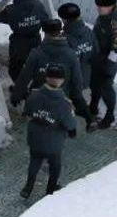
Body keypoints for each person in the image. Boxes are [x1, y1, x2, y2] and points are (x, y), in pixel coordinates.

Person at [15, 19, 95, 131]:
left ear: (45, 33)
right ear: (60, 31)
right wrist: (77, 96)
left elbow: (24, 77)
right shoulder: (71, 54)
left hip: (40, 94)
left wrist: (16, 96)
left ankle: (29, 115)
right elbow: (77, 80)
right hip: (63, 95)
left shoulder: (36, 53)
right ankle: (90, 120)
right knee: (75, 97)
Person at [21, 64, 77, 198]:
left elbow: (27, 112)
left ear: (46, 78)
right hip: (53, 143)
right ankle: (50, 190)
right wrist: (72, 129)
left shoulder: (34, 94)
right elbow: (69, 124)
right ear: (62, 80)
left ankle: (28, 187)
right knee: (55, 166)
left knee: (34, 161)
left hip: (35, 138)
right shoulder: (64, 103)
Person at [91, 0, 117, 129]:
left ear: (111, 6)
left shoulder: (116, 26)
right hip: (98, 58)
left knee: (106, 86)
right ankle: (93, 107)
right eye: (98, 5)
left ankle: (109, 115)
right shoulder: (102, 17)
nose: (98, 8)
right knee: (95, 83)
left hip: (109, 60)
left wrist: (108, 70)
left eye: (102, 6)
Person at [59, 3, 96, 94]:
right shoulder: (89, 32)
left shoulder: (63, 39)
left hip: (68, 84)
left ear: (65, 20)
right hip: (85, 79)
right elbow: (96, 54)